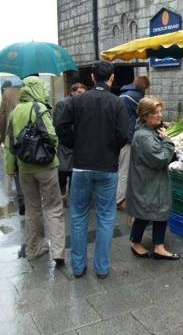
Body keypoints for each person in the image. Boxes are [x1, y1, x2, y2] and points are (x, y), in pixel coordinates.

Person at [55, 61, 129, 279]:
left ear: (93, 77)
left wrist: (74, 144)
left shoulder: (78, 101)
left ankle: (78, 267)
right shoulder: (116, 103)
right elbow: (124, 135)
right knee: (106, 218)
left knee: (78, 217)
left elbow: (60, 126)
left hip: (81, 167)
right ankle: (102, 268)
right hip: (107, 167)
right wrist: (110, 148)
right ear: (112, 78)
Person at [4, 76, 66, 265]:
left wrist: (10, 168)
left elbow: (9, 143)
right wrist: (51, 152)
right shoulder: (39, 107)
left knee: (32, 209)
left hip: (24, 168)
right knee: (53, 208)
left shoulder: (15, 111)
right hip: (46, 167)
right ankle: (58, 252)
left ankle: (35, 248)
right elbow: (52, 135)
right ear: (36, 88)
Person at [126, 97, 178, 260]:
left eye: (160, 111)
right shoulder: (145, 136)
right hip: (151, 182)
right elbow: (161, 158)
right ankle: (158, 247)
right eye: (156, 113)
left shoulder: (145, 131)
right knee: (159, 212)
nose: (160, 115)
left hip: (147, 181)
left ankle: (137, 242)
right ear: (145, 116)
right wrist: (167, 141)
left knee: (144, 213)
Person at [116, 75, 150, 211]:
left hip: (119, 136)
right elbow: (145, 115)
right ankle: (119, 200)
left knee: (121, 168)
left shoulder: (123, 94)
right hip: (128, 137)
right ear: (144, 86)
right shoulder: (135, 97)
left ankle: (122, 196)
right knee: (124, 169)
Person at [53, 82, 87, 205]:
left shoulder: (82, 104)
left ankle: (71, 197)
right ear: (71, 92)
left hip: (76, 143)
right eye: (79, 92)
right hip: (66, 142)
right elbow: (58, 124)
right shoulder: (63, 104)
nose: (81, 95)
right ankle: (62, 195)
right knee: (63, 171)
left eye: (83, 93)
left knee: (73, 171)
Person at [0, 81, 25, 215]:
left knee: (16, 168)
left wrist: (4, 138)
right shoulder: (33, 90)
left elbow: (2, 116)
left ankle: (21, 199)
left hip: (13, 136)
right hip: (31, 138)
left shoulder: (8, 92)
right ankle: (32, 200)